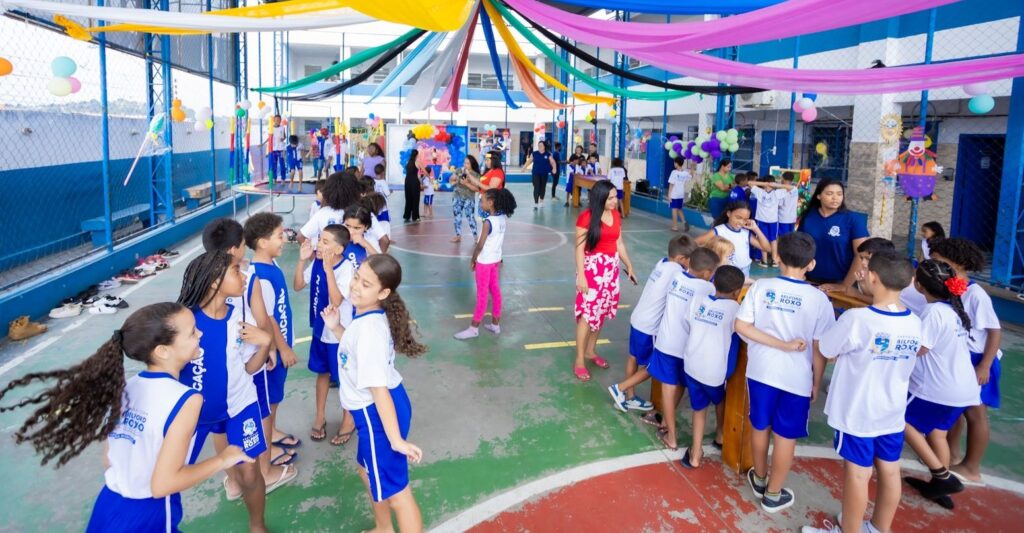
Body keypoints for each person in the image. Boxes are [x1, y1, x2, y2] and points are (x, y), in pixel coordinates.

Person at [0, 303, 254, 532]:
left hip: (109, 504)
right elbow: (163, 485)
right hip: (149, 515)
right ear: (163, 351)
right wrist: (222, 459)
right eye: (192, 332)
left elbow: (109, 459)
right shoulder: (187, 400)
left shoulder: (126, 386)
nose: (200, 334)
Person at [803, 252, 921, 533]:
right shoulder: (914, 321)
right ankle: (879, 527)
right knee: (890, 470)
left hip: (857, 410)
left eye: (867, 270)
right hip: (892, 410)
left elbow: (828, 349)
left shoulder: (857, 319)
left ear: (873, 278)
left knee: (857, 473)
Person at [177, 251, 291, 530]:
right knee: (170, 475)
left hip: (241, 406)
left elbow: (250, 369)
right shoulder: (183, 322)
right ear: (215, 281)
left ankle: (257, 525)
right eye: (236, 271)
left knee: (251, 471)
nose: (244, 276)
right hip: (195, 415)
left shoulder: (239, 317)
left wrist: (265, 344)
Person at [321, 255, 427, 533]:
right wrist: (336, 328)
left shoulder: (369, 329)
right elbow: (357, 354)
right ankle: (383, 528)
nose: (356, 286)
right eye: (357, 276)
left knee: (399, 495)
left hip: (376, 414)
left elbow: (378, 391)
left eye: (366, 284)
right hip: (379, 409)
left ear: (383, 293)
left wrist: (395, 441)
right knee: (365, 469)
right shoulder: (367, 316)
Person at [735, 231, 835, 513]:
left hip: (761, 371)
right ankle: (773, 494)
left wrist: (778, 344)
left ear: (777, 257)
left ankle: (760, 477)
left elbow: (742, 326)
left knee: (759, 425)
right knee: (785, 436)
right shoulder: (818, 299)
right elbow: (820, 348)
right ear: (811, 264)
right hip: (796, 378)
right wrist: (816, 380)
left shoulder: (761, 287)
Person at [902, 259, 979, 509]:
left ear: (918, 284)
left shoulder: (933, 312)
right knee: (937, 433)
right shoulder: (954, 309)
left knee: (898, 418)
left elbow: (920, 349)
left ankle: (942, 475)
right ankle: (939, 485)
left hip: (936, 388)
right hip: (963, 389)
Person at [930, 239, 1002, 487]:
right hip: (959, 358)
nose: (933, 263)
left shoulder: (975, 293)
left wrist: (984, 365)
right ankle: (952, 455)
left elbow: (994, 332)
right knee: (957, 409)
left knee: (976, 414)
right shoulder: (950, 288)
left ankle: (972, 467)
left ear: (957, 263)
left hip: (978, 359)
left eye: (938, 259)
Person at [607, 235, 697, 413]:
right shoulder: (677, 273)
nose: (691, 264)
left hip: (638, 319)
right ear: (680, 259)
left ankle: (630, 397)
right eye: (690, 261)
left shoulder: (662, 262)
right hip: (650, 327)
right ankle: (621, 388)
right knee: (654, 365)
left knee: (633, 356)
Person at [243, 214, 300, 475]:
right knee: (270, 399)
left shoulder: (270, 264)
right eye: (279, 235)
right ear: (263, 242)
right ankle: (268, 447)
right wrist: (280, 348)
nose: (284, 239)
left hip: (278, 343)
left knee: (274, 396)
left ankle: (272, 431)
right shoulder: (261, 276)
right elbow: (266, 318)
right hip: (273, 349)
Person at [647, 248, 719, 449]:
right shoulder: (708, 289)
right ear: (707, 273)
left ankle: (668, 430)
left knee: (669, 386)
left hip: (667, 344)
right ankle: (670, 433)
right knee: (678, 385)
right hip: (687, 349)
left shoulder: (678, 277)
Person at [294, 226, 357, 447]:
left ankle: (348, 420)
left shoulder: (346, 268)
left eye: (326, 242)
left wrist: (329, 269)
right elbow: (299, 285)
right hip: (321, 330)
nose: (319, 245)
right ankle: (320, 416)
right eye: (320, 240)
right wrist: (302, 261)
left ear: (339, 249)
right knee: (322, 373)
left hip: (339, 333)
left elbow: (337, 300)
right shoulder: (317, 263)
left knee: (345, 378)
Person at [680, 265, 745, 468]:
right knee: (721, 400)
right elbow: (745, 334)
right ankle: (721, 434)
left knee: (698, 409)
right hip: (715, 372)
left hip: (691, 365)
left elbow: (686, 323)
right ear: (737, 292)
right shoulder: (735, 309)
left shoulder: (699, 300)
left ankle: (695, 454)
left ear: (713, 283)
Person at [573, 180, 637, 382]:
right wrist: (582, 275)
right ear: (600, 198)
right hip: (592, 270)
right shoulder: (587, 218)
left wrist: (629, 265)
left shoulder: (616, 215)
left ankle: (591, 351)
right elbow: (579, 248)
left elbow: (618, 242)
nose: (615, 200)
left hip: (610, 270)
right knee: (587, 314)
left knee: (600, 312)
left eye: (615, 196)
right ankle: (579, 360)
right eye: (610, 197)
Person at [454, 188, 518, 340]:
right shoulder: (502, 218)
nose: (480, 203)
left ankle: (473, 328)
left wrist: (473, 258)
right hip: (495, 260)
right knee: (495, 291)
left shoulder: (488, 222)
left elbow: (480, 244)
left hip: (484, 262)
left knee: (482, 295)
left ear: (491, 203)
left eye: (482, 201)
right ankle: (495, 324)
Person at [798, 179, 869, 285]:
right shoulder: (808, 216)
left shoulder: (853, 219)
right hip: (810, 278)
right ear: (819, 196)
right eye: (829, 193)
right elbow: (800, 247)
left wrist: (845, 286)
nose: (835, 198)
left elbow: (861, 255)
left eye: (839, 194)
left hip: (841, 281)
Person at [695, 201, 771, 278]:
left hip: (745, 270)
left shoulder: (746, 233)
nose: (741, 222)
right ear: (729, 214)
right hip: (727, 272)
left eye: (745, 219)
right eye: (738, 217)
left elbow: (767, 248)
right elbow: (695, 243)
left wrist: (756, 229)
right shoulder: (718, 231)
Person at [819, 238, 897, 303]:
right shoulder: (869, 274)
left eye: (868, 259)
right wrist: (862, 284)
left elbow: (883, 302)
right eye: (861, 258)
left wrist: (857, 294)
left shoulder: (891, 278)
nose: (863, 263)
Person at [300, 171, 362, 249]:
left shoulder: (323, 213)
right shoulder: (360, 212)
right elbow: (381, 238)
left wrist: (315, 259)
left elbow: (301, 236)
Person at [748, 176, 780, 267]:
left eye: (770, 184)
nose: (768, 186)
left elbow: (792, 188)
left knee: (772, 240)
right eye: (767, 184)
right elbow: (749, 182)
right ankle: (765, 261)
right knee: (764, 240)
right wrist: (765, 184)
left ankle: (773, 260)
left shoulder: (777, 193)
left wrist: (773, 185)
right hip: (762, 220)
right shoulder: (760, 191)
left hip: (772, 220)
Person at [450, 156, 480, 243]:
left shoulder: (475, 174)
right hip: (457, 196)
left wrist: (466, 183)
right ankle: (458, 235)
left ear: (472, 164)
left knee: (470, 217)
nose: (465, 165)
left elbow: (477, 189)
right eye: (464, 163)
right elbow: (451, 180)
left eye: (467, 163)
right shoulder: (459, 170)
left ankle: (475, 236)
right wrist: (453, 179)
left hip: (469, 198)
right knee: (457, 217)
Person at [526, 140, 558, 208]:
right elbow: (529, 161)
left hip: (544, 173)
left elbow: (553, 162)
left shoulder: (548, 154)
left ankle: (541, 201)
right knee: (536, 187)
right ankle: (536, 203)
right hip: (535, 173)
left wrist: (554, 168)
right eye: (539, 145)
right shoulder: (534, 153)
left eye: (541, 145)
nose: (540, 146)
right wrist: (524, 167)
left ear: (544, 146)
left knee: (542, 187)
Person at [667, 156, 691, 232]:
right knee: (679, 209)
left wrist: (669, 194)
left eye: (674, 162)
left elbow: (671, 184)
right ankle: (684, 222)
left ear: (676, 163)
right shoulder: (685, 173)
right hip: (681, 194)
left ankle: (675, 226)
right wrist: (693, 168)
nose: (674, 164)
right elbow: (690, 177)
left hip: (674, 194)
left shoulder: (674, 172)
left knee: (674, 210)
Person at [402, 149, 421, 223]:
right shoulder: (417, 162)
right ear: (416, 155)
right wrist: (429, 177)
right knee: (415, 199)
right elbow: (424, 170)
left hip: (407, 181)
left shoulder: (407, 162)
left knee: (408, 198)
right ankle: (415, 216)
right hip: (414, 182)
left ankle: (407, 216)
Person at [268, 114, 287, 181]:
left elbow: (285, 136)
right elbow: (269, 138)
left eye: (279, 120)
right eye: (276, 120)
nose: (277, 121)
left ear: (280, 120)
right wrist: (262, 144)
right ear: (274, 120)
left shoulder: (282, 127)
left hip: (281, 149)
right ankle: (274, 178)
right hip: (273, 149)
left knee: (282, 164)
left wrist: (283, 138)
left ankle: (283, 178)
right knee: (274, 164)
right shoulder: (271, 128)